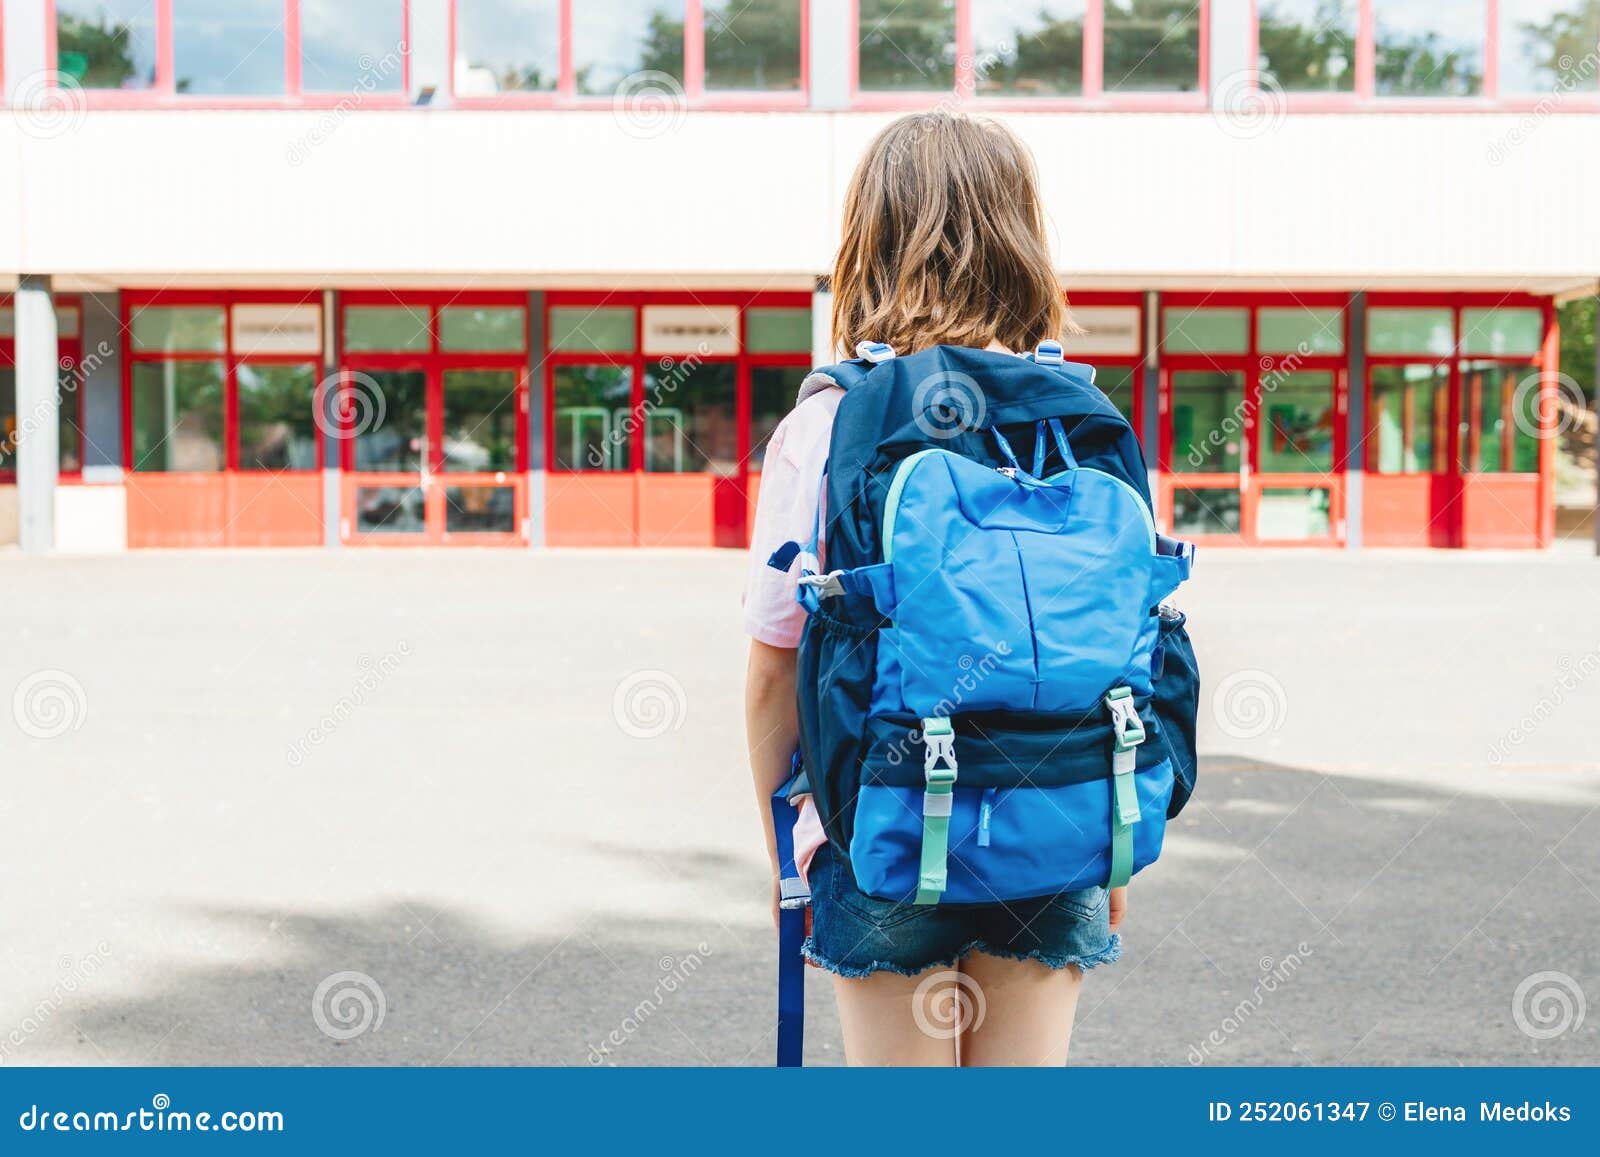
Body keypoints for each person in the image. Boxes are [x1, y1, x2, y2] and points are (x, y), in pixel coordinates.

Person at [743, 111, 1124, 1067]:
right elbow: (1129, 640)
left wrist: (784, 843)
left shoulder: (831, 421)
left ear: (868, 240)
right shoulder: (1077, 414)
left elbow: (771, 669)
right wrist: (1117, 824)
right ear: (1022, 240)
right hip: (1059, 807)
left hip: (880, 814)